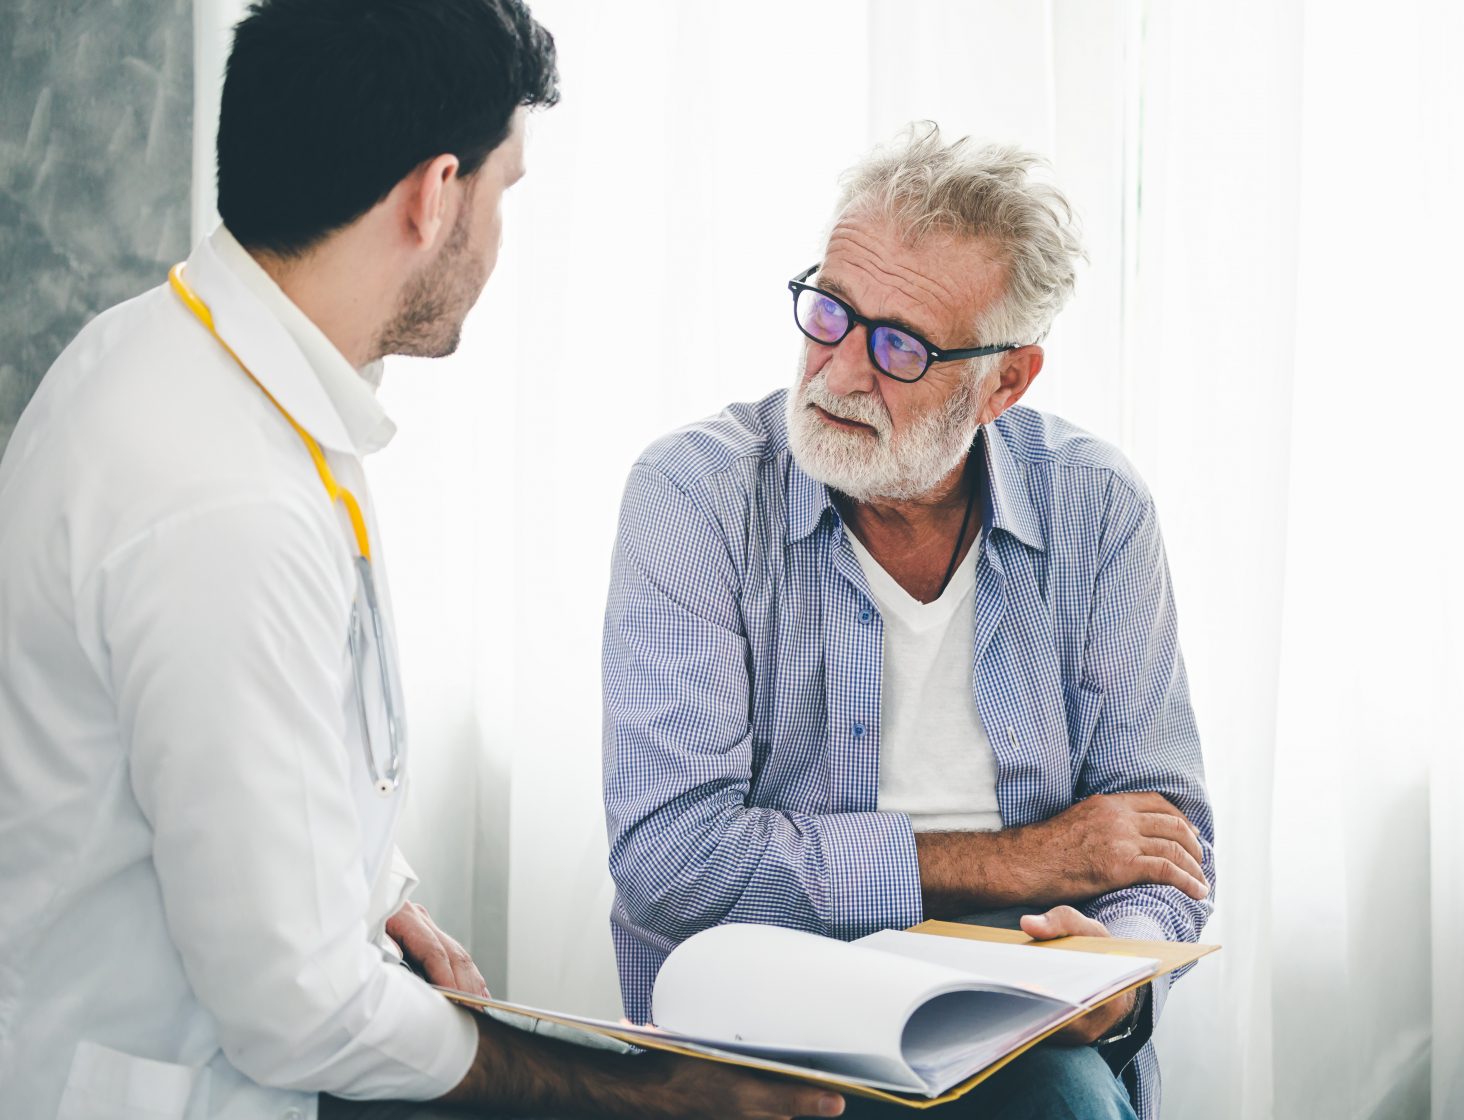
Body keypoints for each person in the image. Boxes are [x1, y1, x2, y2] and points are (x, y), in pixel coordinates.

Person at [0, 2, 843, 1118]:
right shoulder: (226, 501)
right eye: (505, 192)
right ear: (434, 193)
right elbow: (299, 1009)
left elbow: (258, 761)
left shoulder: (182, 354)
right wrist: (633, 1090)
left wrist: (374, 890)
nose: (497, 237)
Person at [602, 123, 1215, 1120]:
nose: (839, 371)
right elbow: (673, 861)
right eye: (830, 311)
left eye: (900, 345)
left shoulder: (1098, 508)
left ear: (1005, 382)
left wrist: (1118, 972)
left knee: (1063, 1101)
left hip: (1014, 1022)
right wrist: (1026, 859)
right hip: (768, 1023)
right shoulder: (695, 494)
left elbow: (1159, 842)